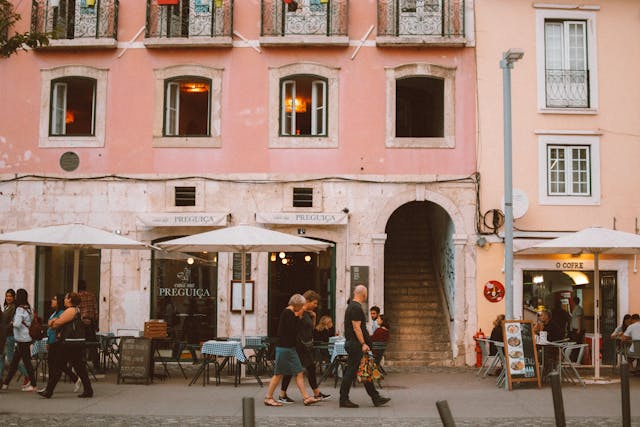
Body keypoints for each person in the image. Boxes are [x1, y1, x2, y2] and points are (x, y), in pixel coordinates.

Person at [263, 294, 320, 407]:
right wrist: (298, 317)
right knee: (278, 374)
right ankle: (268, 397)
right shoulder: (287, 313)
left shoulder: (290, 313)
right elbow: (293, 331)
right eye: (302, 306)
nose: (303, 308)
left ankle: (306, 397)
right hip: (285, 348)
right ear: (297, 305)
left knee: (299, 372)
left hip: (289, 348)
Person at [340, 285, 390, 408]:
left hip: (354, 343)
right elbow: (357, 327)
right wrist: (363, 343)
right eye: (366, 294)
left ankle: (375, 397)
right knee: (351, 371)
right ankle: (344, 399)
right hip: (356, 344)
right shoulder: (356, 308)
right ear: (364, 294)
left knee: (365, 370)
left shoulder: (351, 307)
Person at [278, 290, 331, 404]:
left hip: (305, 345)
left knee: (307, 368)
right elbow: (296, 328)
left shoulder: (308, 313)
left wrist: (314, 317)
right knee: (296, 370)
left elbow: (311, 330)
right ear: (307, 301)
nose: (316, 306)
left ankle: (313, 394)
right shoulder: (300, 312)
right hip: (300, 345)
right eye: (315, 303)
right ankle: (286, 395)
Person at [39, 292, 94, 398]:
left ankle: (49, 391)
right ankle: (88, 389)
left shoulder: (70, 310)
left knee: (58, 366)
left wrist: (52, 322)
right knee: (79, 367)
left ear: (70, 300)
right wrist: (55, 321)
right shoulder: (76, 310)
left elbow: (56, 324)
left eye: (65, 298)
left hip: (68, 343)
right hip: (74, 342)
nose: (64, 300)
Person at [1, 288, 37, 391]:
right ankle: (6, 383)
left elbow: (17, 324)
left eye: (16, 295)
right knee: (14, 363)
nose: (15, 297)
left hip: (22, 339)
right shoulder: (28, 308)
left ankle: (33, 385)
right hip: (25, 338)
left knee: (26, 362)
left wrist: (12, 323)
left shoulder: (20, 309)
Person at [0, 289, 28, 382]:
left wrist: (5, 326)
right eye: (7, 295)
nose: (8, 298)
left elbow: (12, 322)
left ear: (14, 297)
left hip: (9, 336)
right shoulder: (7, 307)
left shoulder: (13, 307)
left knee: (12, 359)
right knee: (2, 357)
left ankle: (28, 376)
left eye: (10, 296)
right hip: (4, 335)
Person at [78, 280, 100, 371]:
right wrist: (95, 324)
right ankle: (96, 365)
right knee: (93, 345)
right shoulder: (91, 295)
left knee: (80, 344)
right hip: (90, 323)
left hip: (81, 322)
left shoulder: (77, 296)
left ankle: (81, 363)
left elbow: (77, 311)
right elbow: (96, 311)